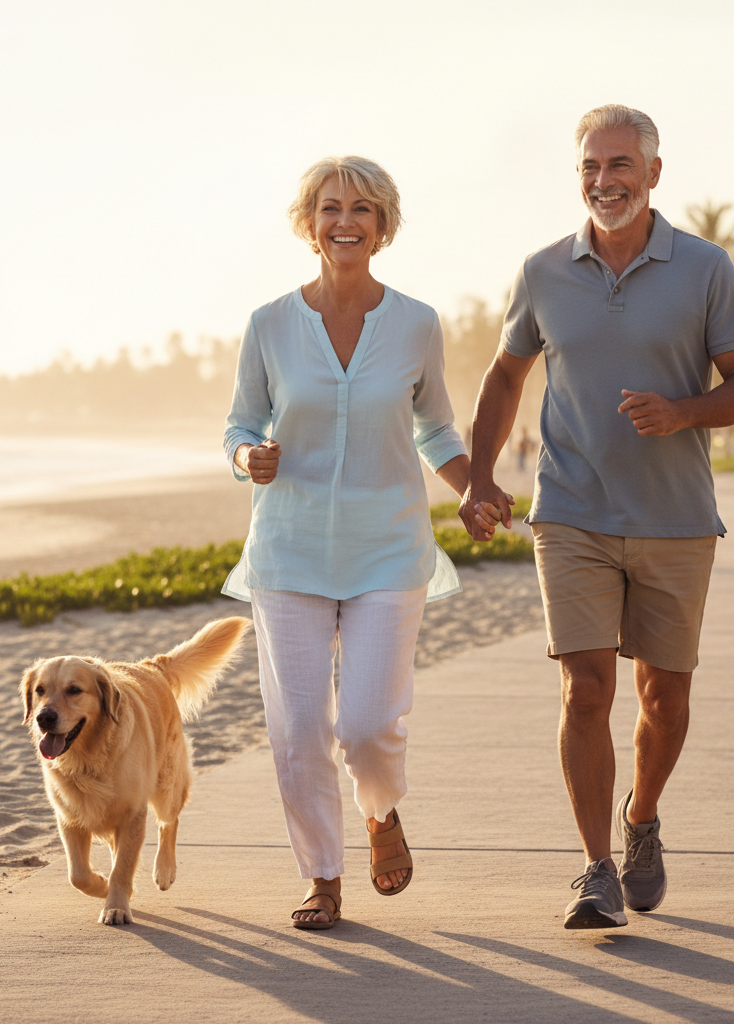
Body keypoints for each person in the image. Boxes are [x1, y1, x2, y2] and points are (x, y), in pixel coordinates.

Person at [461, 105, 734, 929]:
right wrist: (481, 476)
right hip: (571, 512)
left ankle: (642, 821)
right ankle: (595, 868)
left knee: (663, 697)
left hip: (676, 518)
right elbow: (503, 376)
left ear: (654, 174)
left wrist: (681, 412)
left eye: (621, 164)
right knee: (586, 689)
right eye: (591, 166)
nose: (605, 180)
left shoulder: (705, 269)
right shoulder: (543, 271)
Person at [222, 156, 477, 930]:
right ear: (309, 224)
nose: (346, 221)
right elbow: (240, 425)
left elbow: (435, 426)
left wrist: (477, 490)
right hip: (290, 552)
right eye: (330, 208)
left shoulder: (417, 323)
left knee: (366, 724)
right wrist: (247, 458)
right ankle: (322, 877)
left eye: (363, 209)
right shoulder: (269, 323)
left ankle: (380, 809)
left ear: (383, 225)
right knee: (299, 733)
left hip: (388, 549)